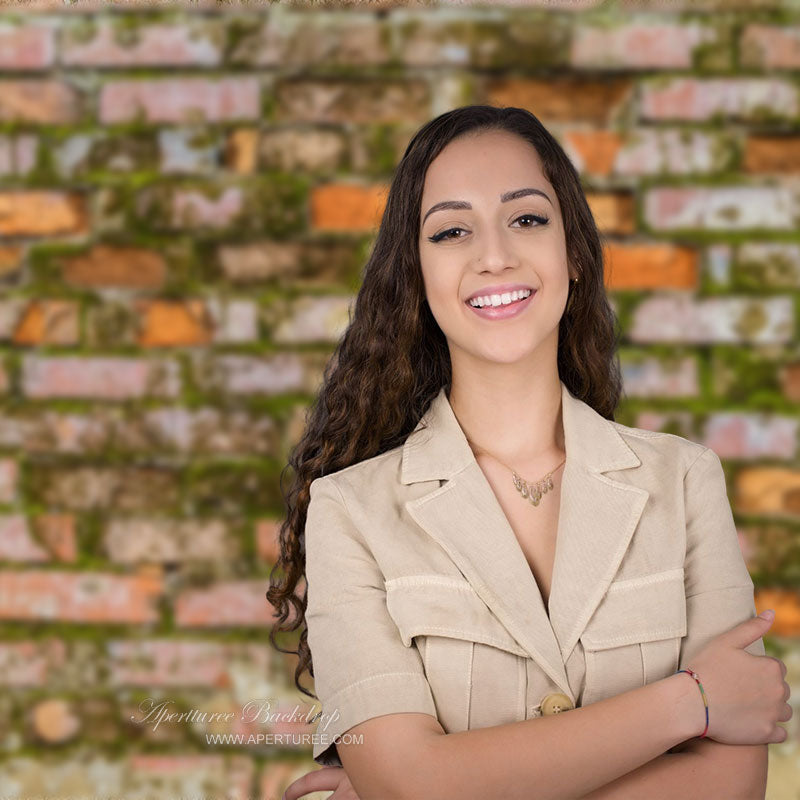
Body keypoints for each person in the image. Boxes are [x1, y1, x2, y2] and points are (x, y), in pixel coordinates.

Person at [267, 105, 792, 800]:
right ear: (416, 276)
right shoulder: (349, 512)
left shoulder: (685, 482)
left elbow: (730, 787)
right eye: (452, 231)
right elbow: (410, 784)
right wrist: (690, 703)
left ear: (572, 250)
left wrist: (439, 785)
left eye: (527, 219)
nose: (494, 256)